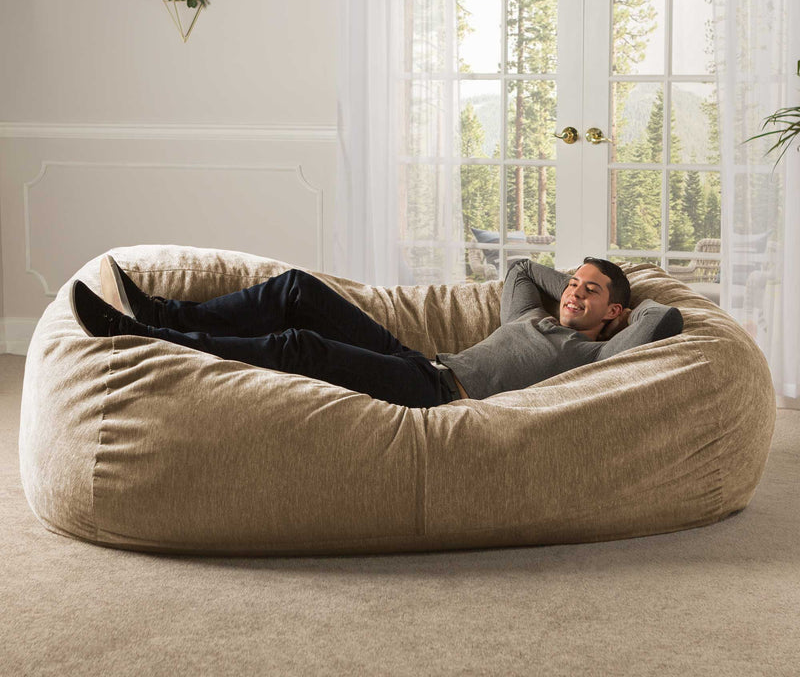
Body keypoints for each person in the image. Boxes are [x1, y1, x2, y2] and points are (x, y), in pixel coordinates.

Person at [69, 254, 683, 408]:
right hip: (422, 362)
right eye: (572, 282)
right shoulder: (530, 316)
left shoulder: (591, 355)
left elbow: (665, 317)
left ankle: (140, 337)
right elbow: (521, 269)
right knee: (297, 288)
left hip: (440, 395)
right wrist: (579, 282)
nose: (573, 292)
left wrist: (623, 306)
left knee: (300, 347)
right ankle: (162, 315)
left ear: (614, 314)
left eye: (590, 291)